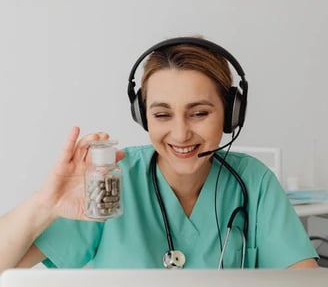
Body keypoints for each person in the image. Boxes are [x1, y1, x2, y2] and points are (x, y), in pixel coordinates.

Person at [0, 37, 318, 271]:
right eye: (163, 115)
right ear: (143, 116)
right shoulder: (109, 182)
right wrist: (45, 204)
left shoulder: (254, 182)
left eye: (199, 113)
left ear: (230, 114)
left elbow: (304, 279)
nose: (180, 134)